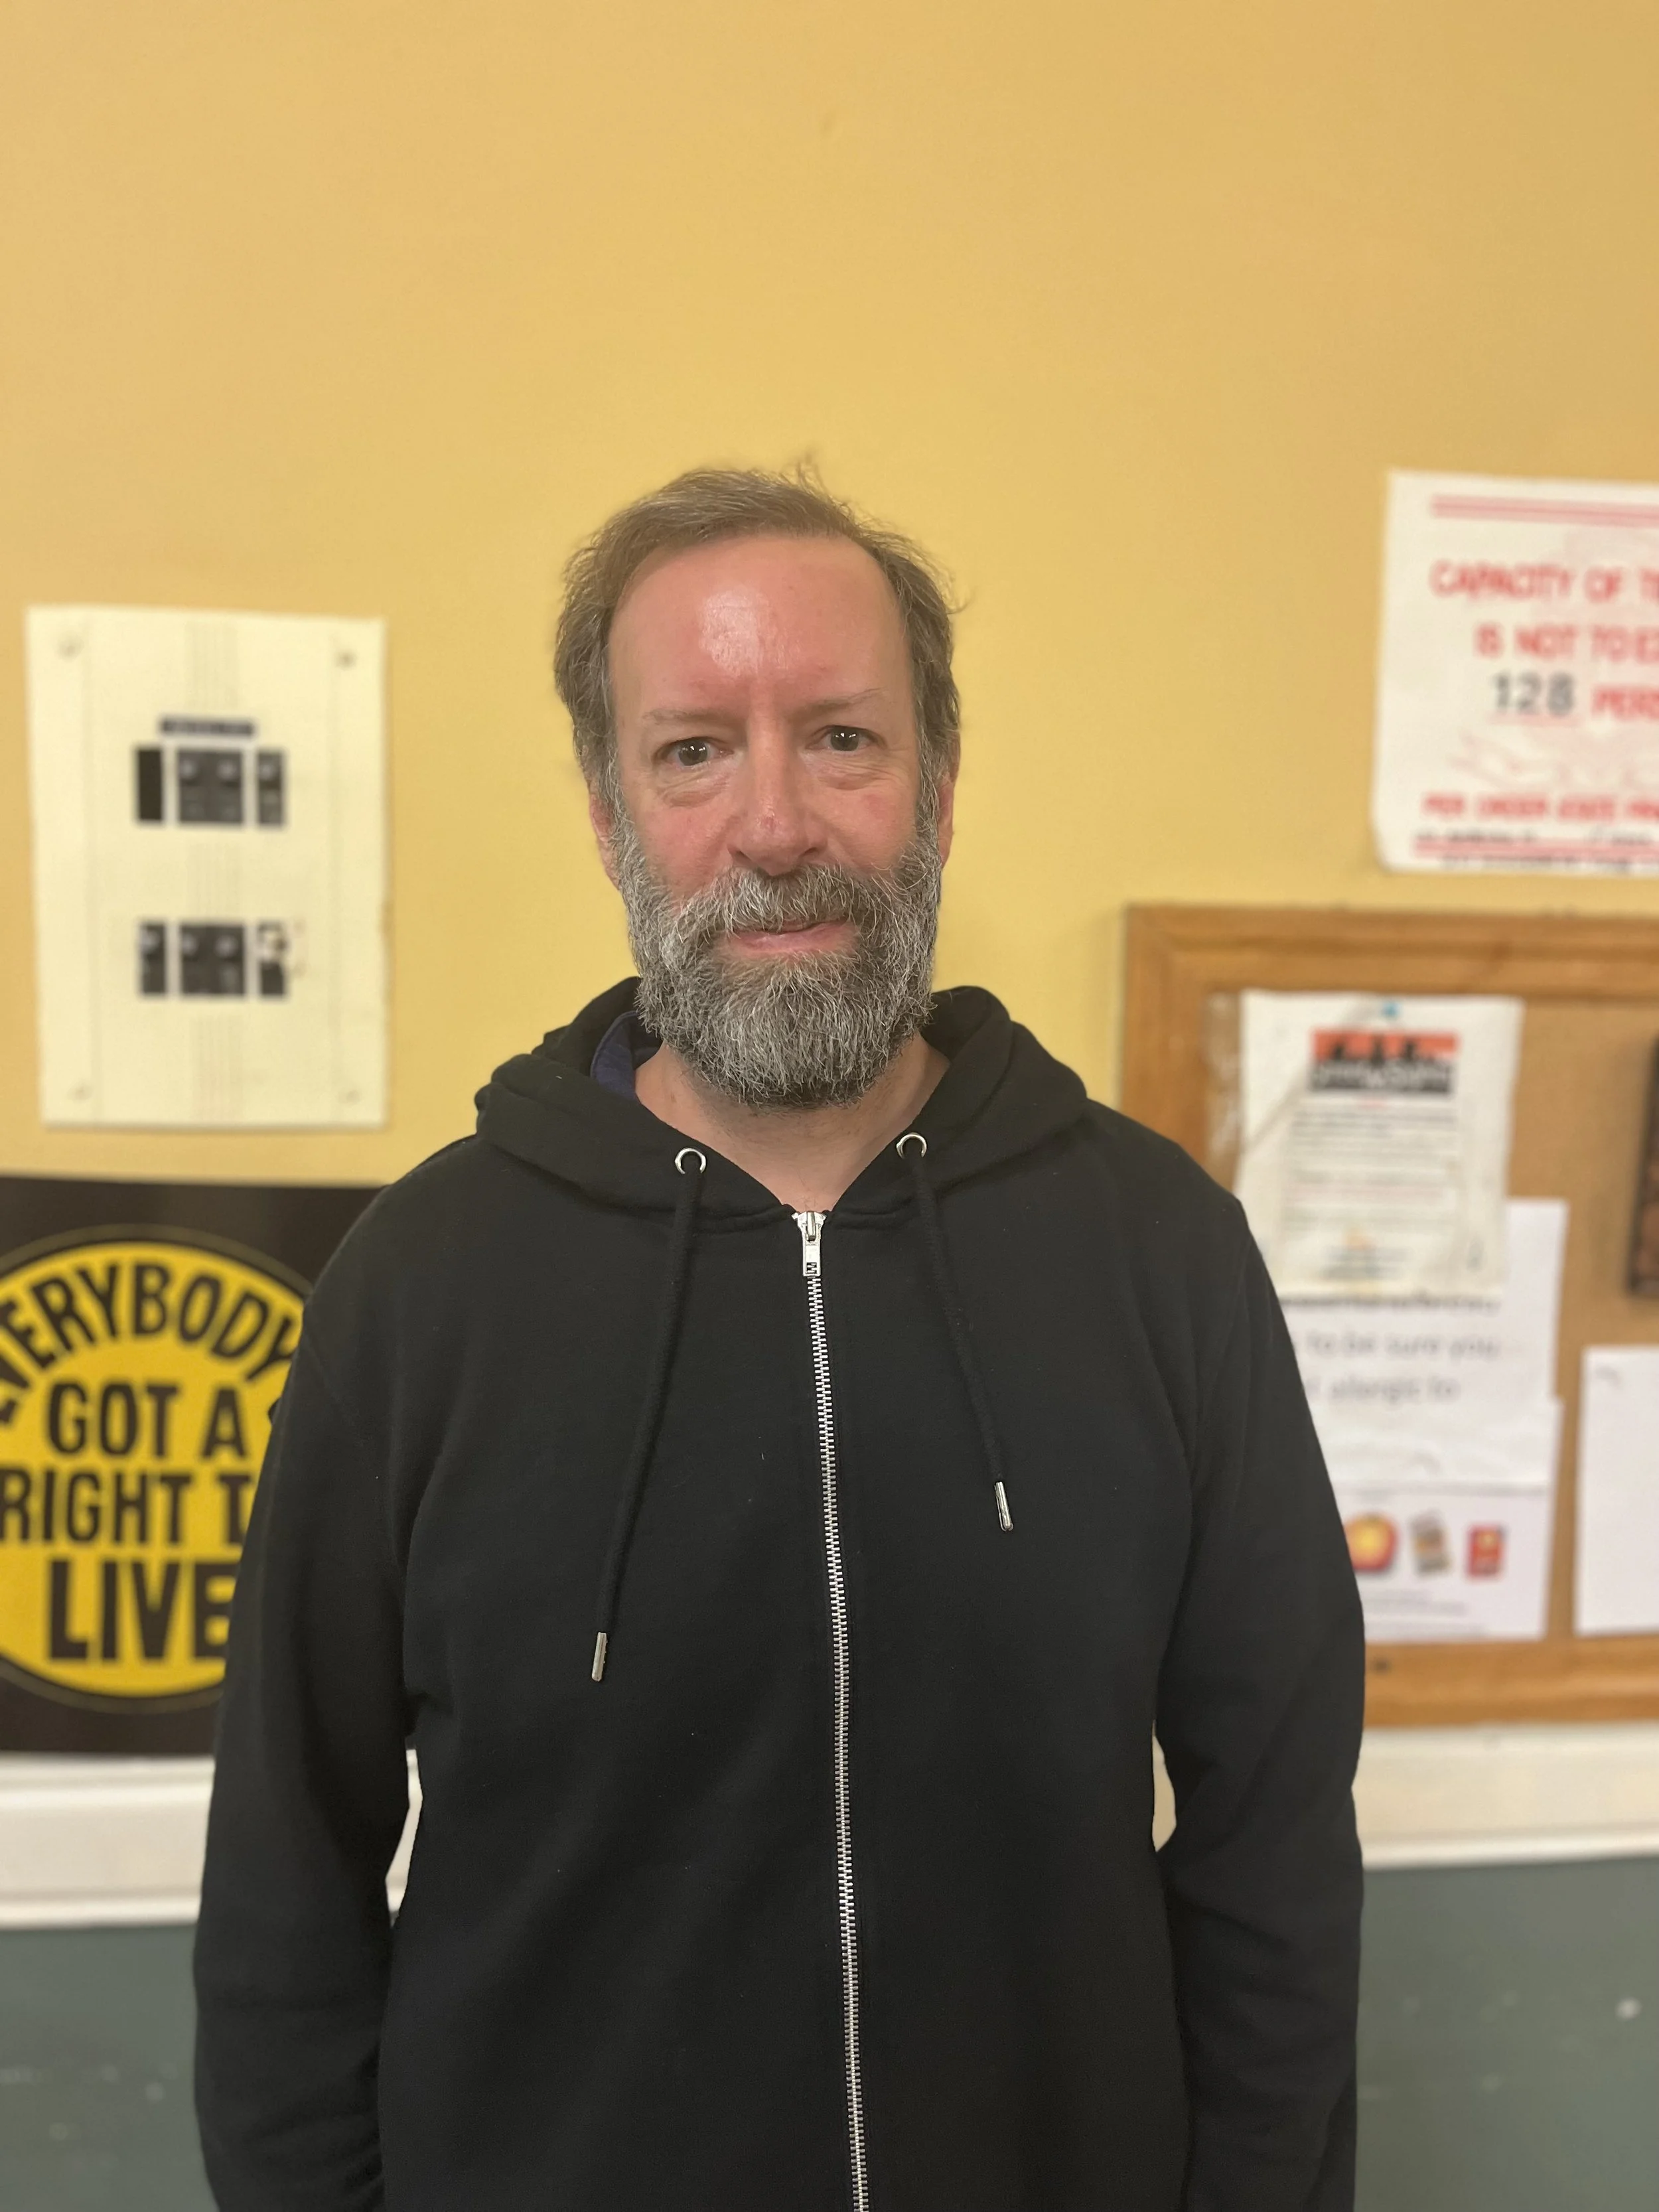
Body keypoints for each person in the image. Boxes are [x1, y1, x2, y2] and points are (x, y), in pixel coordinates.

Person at [194, 467, 1364, 2212]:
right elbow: (285, 1892)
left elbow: (1276, 1852)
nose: (773, 824)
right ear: (611, 817)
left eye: (840, 739)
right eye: (692, 750)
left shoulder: (1157, 1252)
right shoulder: (418, 1289)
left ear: (936, 791)